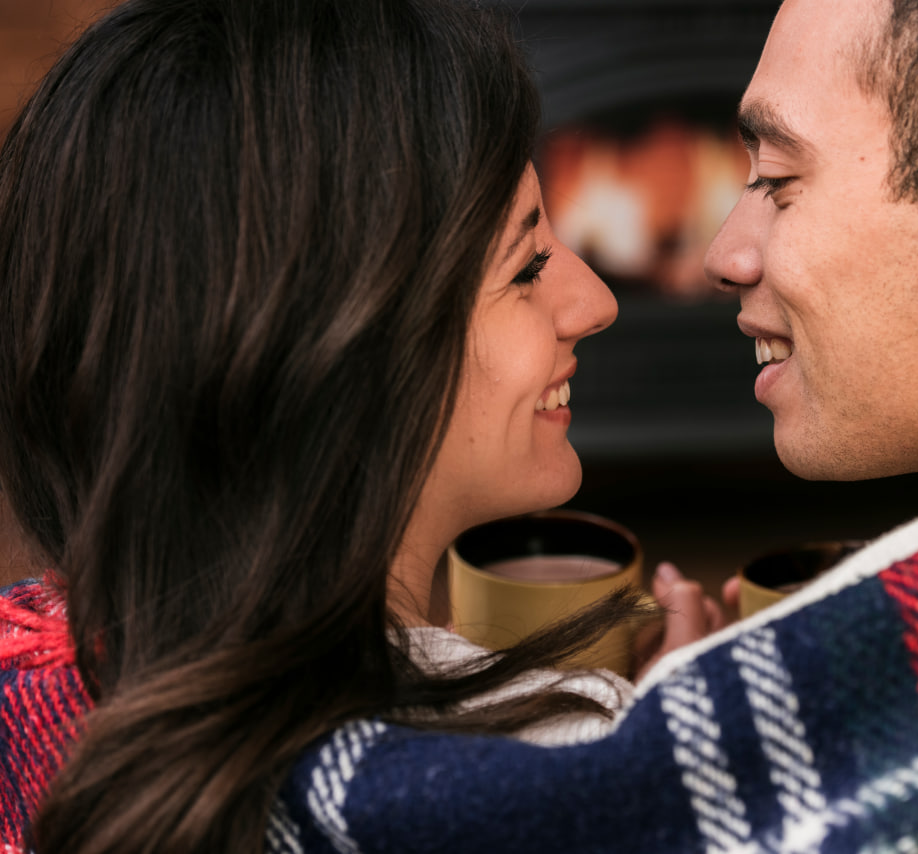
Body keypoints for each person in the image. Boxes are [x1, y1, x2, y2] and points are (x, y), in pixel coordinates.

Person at [0, 1, 724, 852]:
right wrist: (656, 766)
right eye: (527, 265)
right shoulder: (551, 783)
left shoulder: (26, 678)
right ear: (332, 352)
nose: (595, 303)